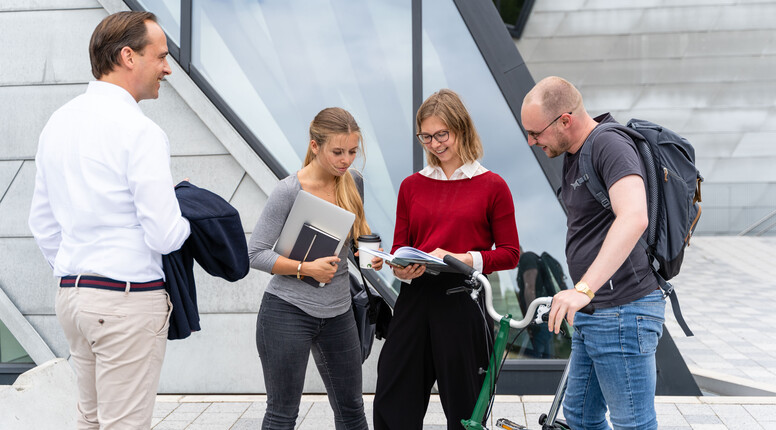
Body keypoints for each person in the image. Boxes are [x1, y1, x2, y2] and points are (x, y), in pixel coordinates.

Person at [28, 11, 190, 429]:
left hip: (74, 297)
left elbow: (42, 224)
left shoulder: (57, 124)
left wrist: (78, 269)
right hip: (125, 298)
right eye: (160, 56)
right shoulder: (140, 131)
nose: (167, 68)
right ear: (128, 56)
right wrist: (190, 216)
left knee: (92, 420)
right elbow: (165, 233)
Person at [520, 76, 665, 430]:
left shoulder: (608, 145)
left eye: (536, 133)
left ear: (564, 120)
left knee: (633, 423)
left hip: (623, 313)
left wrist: (583, 289)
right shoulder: (575, 152)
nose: (530, 141)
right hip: (596, 313)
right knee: (581, 417)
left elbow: (634, 217)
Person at [373, 89, 521, 429]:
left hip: (463, 300)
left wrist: (462, 258)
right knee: (393, 397)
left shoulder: (492, 186)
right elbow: (401, 246)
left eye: (443, 135)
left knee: (466, 407)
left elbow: (510, 253)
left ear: (462, 130)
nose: (435, 144)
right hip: (415, 299)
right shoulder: (412, 186)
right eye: (426, 136)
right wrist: (400, 267)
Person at [248, 107, 383, 430]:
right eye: (338, 152)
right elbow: (254, 254)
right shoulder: (289, 190)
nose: (346, 160)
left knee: (352, 412)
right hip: (286, 311)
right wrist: (305, 268)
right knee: (282, 415)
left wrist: (369, 256)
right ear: (314, 146)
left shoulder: (354, 183)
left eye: (352, 152)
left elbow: (347, 241)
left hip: (338, 314)